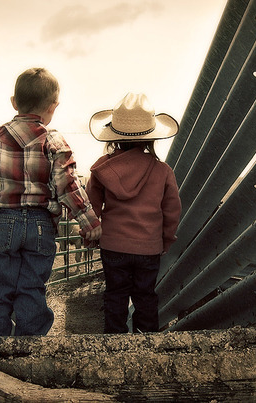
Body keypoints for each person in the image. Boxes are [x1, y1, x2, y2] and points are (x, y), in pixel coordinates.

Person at [0, 67, 101, 336]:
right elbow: (69, 184)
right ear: (53, 107)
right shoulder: (54, 141)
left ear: (14, 102)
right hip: (39, 224)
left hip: (3, 222)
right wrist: (89, 221)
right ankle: (31, 348)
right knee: (32, 286)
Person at [85, 93, 181, 334]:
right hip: (149, 247)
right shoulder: (163, 171)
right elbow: (172, 210)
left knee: (115, 295)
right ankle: (146, 344)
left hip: (113, 246)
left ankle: (114, 344)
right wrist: (166, 239)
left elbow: (91, 206)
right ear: (150, 138)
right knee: (145, 296)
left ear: (114, 136)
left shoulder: (103, 168)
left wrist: (90, 234)